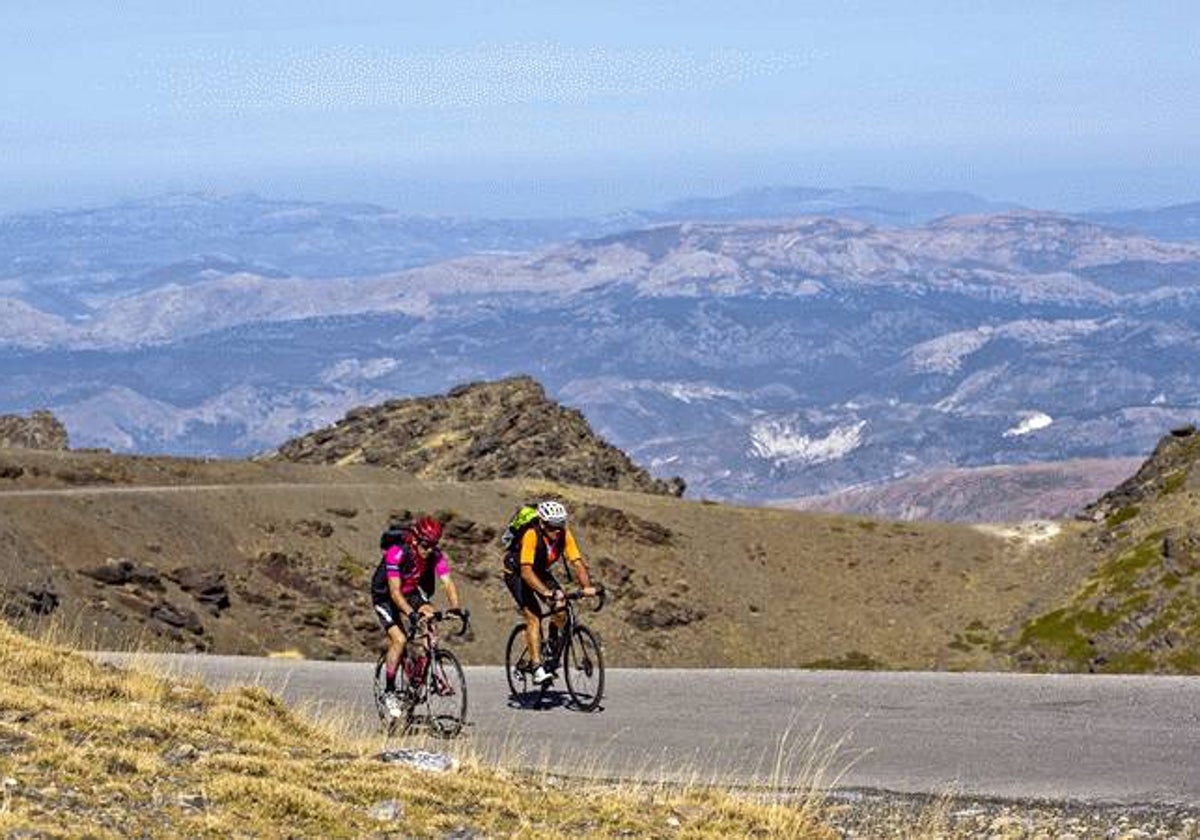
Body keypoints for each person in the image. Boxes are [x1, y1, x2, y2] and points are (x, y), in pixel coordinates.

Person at [371, 514, 463, 718]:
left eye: (433, 545)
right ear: (414, 539)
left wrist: (455, 607)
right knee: (400, 639)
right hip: (385, 595)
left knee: (431, 618)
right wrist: (411, 614)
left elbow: (447, 582)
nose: (428, 549)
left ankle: (423, 674)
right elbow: (395, 592)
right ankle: (389, 691)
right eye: (425, 544)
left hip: (410, 591)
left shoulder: (435, 554)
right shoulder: (396, 553)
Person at [503, 500, 596, 685]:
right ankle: (537, 667)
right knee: (534, 616)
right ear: (543, 524)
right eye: (554, 526)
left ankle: (552, 643)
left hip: (539, 571)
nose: (558, 530)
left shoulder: (564, 535)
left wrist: (587, 587)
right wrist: (546, 593)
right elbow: (526, 572)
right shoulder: (531, 535)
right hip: (517, 572)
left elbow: (577, 562)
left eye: (561, 525)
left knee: (561, 607)